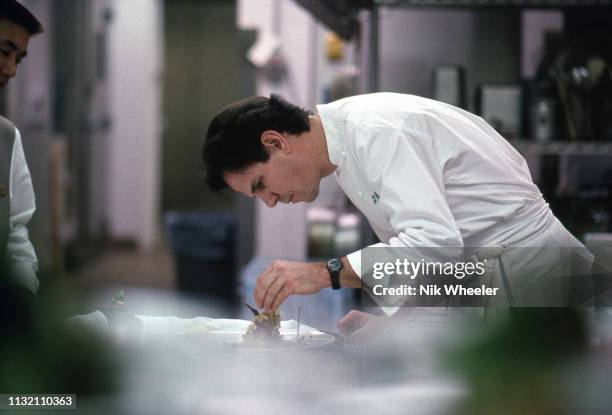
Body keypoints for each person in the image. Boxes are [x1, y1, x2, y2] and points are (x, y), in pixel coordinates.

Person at [202, 92, 593, 335]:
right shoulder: (346, 150)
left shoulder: (375, 132)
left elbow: (437, 244)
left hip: (538, 287)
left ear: (275, 142)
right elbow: (438, 255)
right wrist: (401, 324)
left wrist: (322, 273)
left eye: (260, 185)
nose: (269, 200)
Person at [0, 0, 43, 304]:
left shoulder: (6, 138)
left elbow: (15, 231)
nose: (11, 70)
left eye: (19, 59)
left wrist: (22, 291)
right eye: (4, 52)